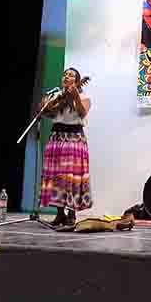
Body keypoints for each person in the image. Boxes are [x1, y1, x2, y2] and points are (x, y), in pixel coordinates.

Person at [39, 68, 92, 226]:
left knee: (71, 178)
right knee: (57, 178)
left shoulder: (84, 97)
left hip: (73, 140)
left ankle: (72, 214)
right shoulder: (55, 95)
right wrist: (47, 104)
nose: (66, 76)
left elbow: (82, 113)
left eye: (71, 75)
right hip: (56, 138)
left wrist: (74, 96)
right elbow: (45, 113)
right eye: (65, 74)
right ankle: (60, 213)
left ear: (77, 81)